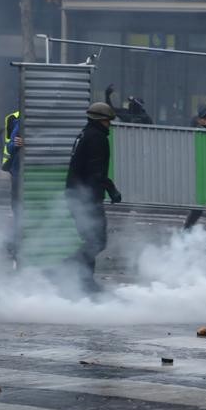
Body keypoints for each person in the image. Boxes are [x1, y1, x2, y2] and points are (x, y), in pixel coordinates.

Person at [65, 102, 122, 292]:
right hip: (87, 198)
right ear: (101, 120)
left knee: (91, 240)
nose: (110, 125)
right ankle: (69, 270)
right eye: (108, 121)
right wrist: (112, 190)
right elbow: (95, 172)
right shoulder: (97, 138)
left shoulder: (85, 134)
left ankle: (84, 282)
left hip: (77, 195)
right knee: (97, 241)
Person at [2, 110, 23, 257]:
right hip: (18, 173)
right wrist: (16, 144)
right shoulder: (20, 121)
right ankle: (12, 244)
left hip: (22, 173)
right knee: (18, 210)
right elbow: (10, 146)